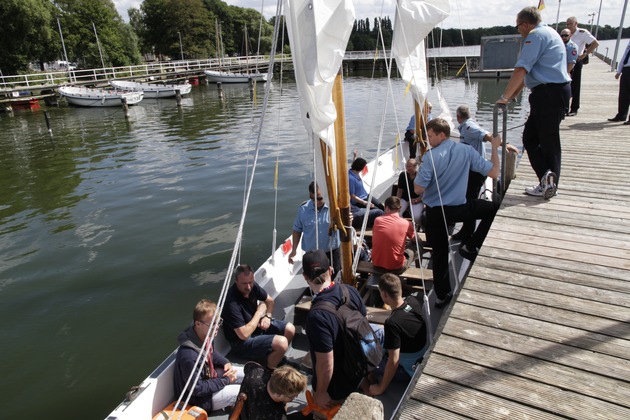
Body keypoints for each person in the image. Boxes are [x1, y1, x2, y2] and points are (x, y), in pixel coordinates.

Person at [414, 118, 501, 308]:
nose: (428, 140)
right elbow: (494, 173)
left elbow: (419, 189)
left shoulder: (431, 157)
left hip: (436, 213)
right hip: (459, 208)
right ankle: (471, 245)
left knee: (439, 254)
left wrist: (419, 175)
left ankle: (442, 295)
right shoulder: (467, 150)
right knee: (492, 210)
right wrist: (495, 147)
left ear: (441, 135)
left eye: (430, 136)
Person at [497, 7, 571, 200]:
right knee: (532, 138)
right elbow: (529, 72)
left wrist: (505, 97)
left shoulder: (535, 36)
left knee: (547, 142)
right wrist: (514, 94)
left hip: (548, 94)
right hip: (553, 93)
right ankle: (547, 179)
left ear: (524, 24)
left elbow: (521, 69)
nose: (518, 31)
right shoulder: (550, 32)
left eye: (517, 27)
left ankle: (549, 183)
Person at [300, 250, 369, 409]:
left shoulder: (317, 316)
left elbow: (326, 364)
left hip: (338, 385)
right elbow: (364, 326)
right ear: (330, 270)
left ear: (305, 277)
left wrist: (322, 392)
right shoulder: (349, 291)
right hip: (358, 369)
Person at [174, 299, 245, 413]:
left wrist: (225, 362)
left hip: (210, 378)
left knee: (246, 374)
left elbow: (211, 353)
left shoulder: (205, 335)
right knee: (240, 393)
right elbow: (197, 389)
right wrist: (226, 380)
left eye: (218, 322)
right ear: (197, 324)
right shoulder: (189, 355)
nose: (217, 327)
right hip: (199, 400)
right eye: (212, 324)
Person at [222, 264, 295, 369]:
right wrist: (259, 312)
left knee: (290, 329)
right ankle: (270, 369)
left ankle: (277, 358)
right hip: (242, 343)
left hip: (257, 327)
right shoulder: (231, 303)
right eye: (244, 283)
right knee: (282, 343)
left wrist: (268, 316)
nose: (248, 287)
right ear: (236, 280)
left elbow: (269, 301)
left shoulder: (252, 286)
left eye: (250, 282)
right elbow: (244, 335)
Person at [367, 273, 427, 396]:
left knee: (368, 363)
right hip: (420, 355)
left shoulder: (392, 323)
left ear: (384, 294)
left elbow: (394, 361)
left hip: (409, 370)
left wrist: (380, 388)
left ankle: (372, 378)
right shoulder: (412, 301)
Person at [288, 182, 341, 277]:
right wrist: (294, 250)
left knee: (334, 277)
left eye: (319, 199)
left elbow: (345, 226)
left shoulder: (335, 207)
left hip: (332, 253)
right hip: (312, 255)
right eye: (313, 199)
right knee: (313, 279)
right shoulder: (303, 210)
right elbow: (297, 230)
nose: (316, 202)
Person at [237, 362, 307, 420]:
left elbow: (249, 365)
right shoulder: (276, 415)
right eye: (292, 397)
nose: (296, 397)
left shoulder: (255, 372)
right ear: (278, 395)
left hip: (241, 411)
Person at [371, 196, 416, 274]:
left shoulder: (377, 220)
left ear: (387, 208)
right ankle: (415, 280)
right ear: (399, 209)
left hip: (377, 265)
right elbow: (415, 239)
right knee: (416, 247)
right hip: (395, 268)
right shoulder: (406, 223)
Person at [565, 16, 599, 116]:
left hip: (576, 60)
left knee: (575, 84)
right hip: (566, 61)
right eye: (567, 24)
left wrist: (585, 54)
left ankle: (574, 108)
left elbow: (595, 43)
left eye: (570, 24)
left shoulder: (582, 33)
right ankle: (565, 108)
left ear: (576, 23)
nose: (568, 26)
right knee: (565, 84)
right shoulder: (566, 33)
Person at [349, 157, 384, 229]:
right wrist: (365, 203)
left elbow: (353, 165)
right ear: (360, 167)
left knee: (382, 207)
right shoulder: (351, 178)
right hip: (360, 201)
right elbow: (352, 196)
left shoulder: (353, 171)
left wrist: (354, 156)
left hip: (366, 195)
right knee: (378, 211)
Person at [608, 39, 630, 125]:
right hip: (626, 69)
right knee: (623, 95)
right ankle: (621, 115)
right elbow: (625, 55)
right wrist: (619, 71)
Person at [396, 159, 423, 227]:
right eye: (407, 166)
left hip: (416, 199)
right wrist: (396, 201)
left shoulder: (420, 176)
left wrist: (417, 200)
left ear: (415, 166)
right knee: (397, 213)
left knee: (416, 216)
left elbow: (424, 192)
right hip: (405, 198)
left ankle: (419, 226)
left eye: (409, 166)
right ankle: (403, 226)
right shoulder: (403, 175)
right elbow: (400, 190)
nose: (407, 168)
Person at [560, 28, 578, 116]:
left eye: (566, 35)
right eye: (562, 35)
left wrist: (566, 73)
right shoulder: (560, 45)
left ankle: (565, 110)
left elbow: (571, 62)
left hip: (567, 71)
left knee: (566, 91)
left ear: (570, 35)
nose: (563, 37)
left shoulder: (572, 46)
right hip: (559, 71)